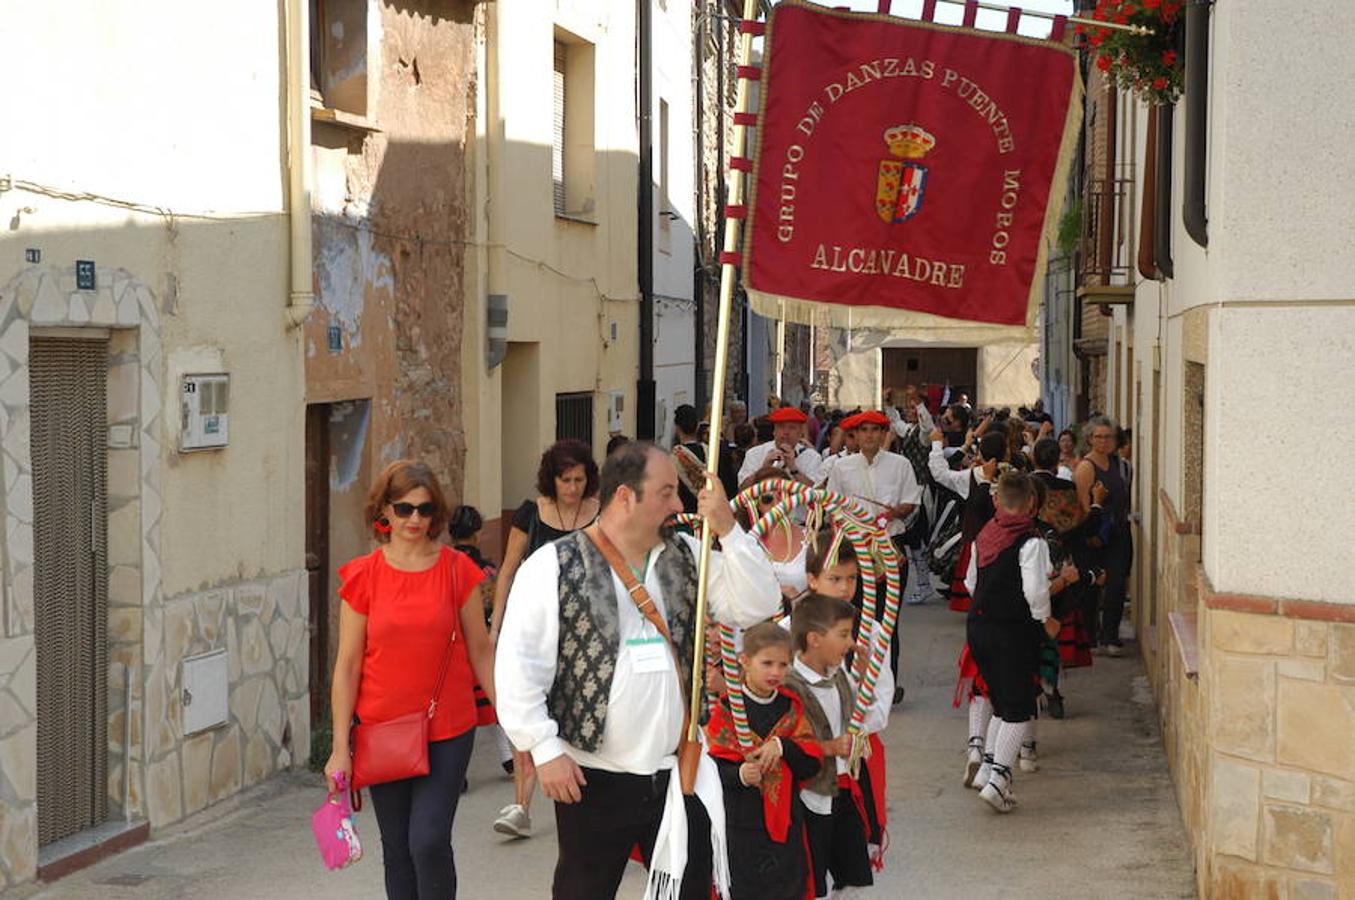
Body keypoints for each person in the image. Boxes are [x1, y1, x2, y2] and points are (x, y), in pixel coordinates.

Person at [494, 442, 782, 900]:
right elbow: (518, 667)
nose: (679, 504)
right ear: (626, 497)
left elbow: (760, 604)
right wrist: (544, 749)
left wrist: (728, 528)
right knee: (583, 891)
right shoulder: (552, 565)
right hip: (592, 775)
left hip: (677, 769)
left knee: (686, 891)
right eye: (666, 492)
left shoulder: (690, 555)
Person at [325, 461, 496, 898]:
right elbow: (347, 666)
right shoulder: (364, 575)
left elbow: (481, 650)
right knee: (397, 849)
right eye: (404, 509)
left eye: (424, 510)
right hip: (382, 730)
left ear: (436, 514)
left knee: (429, 839)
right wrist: (339, 749)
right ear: (384, 510)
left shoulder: (458, 570)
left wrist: (517, 724)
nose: (414, 519)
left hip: (448, 728)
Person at [488, 439, 601, 838]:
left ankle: (589, 801)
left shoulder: (600, 514)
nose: (572, 488)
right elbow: (507, 570)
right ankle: (521, 806)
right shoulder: (531, 513)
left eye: (578, 479)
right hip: (537, 632)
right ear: (550, 480)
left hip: (589, 636)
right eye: (565, 480)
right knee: (529, 713)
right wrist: (497, 626)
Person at [964, 472, 1075, 813]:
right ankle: (999, 781)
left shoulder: (986, 533)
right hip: (1011, 631)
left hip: (979, 627)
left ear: (999, 500)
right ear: (1030, 502)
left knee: (1000, 699)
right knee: (1019, 705)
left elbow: (971, 582)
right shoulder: (1032, 541)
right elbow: (1035, 592)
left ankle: (987, 769)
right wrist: (1046, 620)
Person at [705, 623, 823, 900]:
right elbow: (710, 770)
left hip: (785, 824)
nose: (776, 672)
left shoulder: (791, 707)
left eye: (783, 665)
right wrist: (740, 775)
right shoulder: (727, 710)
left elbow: (811, 763)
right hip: (740, 825)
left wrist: (783, 746)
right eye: (767, 663)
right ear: (744, 661)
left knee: (786, 888)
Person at [784, 593, 891, 897]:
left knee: (854, 873)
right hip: (808, 797)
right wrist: (829, 746)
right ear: (815, 639)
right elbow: (788, 743)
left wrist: (865, 674)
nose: (849, 643)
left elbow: (862, 715)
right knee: (812, 879)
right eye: (843, 635)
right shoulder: (790, 686)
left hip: (844, 788)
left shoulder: (840, 675)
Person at [826, 410, 919, 700]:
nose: (869, 435)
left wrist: (890, 514)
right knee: (853, 616)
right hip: (855, 551)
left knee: (887, 619)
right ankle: (855, 681)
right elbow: (833, 507)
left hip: (890, 547)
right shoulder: (842, 468)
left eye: (875, 430)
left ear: (883, 435)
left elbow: (910, 503)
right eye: (863, 430)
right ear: (854, 435)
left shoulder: (900, 465)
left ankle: (887, 687)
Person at [449, 505, 511, 774]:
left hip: (452, 643)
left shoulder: (445, 566)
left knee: (458, 711)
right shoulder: (486, 570)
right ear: (478, 533)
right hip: (482, 640)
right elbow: (494, 604)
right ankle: (507, 757)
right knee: (493, 698)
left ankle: (459, 773)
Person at [1074, 416, 1131, 656]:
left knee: (1117, 583)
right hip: (1094, 534)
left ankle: (1111, 635)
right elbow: (1083, 505)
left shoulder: (1122, 466)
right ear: (1089, 439)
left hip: (1119, 533)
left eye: (1108, 437)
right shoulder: (1086, 467)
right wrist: (1094, 533)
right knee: (1092, 586)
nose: (1104, 441)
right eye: (1099, 436)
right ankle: (1090, 636)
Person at [672, 403, 737, 513]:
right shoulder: (714, 453)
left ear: (678, 428)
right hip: (714, 513)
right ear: (697, 426)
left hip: (687, 517)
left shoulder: (672, 459)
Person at [739, 407, 823, 488]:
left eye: (792, 428)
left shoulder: (812, 457)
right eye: (781, 427)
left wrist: (793, 469)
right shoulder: (754, 453)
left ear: (800, 433)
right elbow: (742, 489)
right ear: (774, 431)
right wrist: (764, 469)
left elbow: (815, 493)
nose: (786, 432)